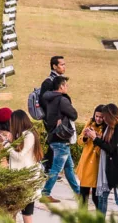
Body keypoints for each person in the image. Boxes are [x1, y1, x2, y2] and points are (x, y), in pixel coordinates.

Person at [40, 75, 80, 203]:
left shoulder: (49, 99)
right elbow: (74, 115)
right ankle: (45, 193)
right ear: (61, 86)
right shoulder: (62, 100)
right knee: (56, 168)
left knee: (69, 167)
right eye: (66, 85)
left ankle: (78, 192)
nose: (67, 87)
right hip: (61, 138)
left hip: (54, 136)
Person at [94, 103, 118, 216]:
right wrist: (98, 137)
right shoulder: (110, 128)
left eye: (105, 116)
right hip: (109, 169)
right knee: (102, 198)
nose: (103, 119)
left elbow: (110, 148)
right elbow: (109, 144)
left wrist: (95, 139)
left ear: (110, 116)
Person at [8, 110, 44, 223]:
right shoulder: (26, 134)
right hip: (25, 178)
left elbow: (19, 157)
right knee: (16, 211)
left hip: (25, 179)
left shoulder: (28, 135)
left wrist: (7, 145)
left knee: (24, 213)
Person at [39, 56, 67, 169]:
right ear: (54, 66)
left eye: (64, 64)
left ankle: (48, 167)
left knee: (54, 142)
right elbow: (44, 101)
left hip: (57, 117)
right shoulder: (49, 82)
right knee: (54, 142)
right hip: (52, 119)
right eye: (62, 64)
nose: (64, 67)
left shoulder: (60, 80)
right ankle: (47, 166)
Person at [76, 105, 106, 206]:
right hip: (86, 163)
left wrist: (97, 138)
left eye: (101, 117)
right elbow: (79, 141)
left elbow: (104, 147)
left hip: (97, 165)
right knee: (83, 195)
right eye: (96, 116)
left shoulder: (106, 128)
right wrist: (84, 137)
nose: (98, 119)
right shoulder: (89, 124)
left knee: (96, 197)